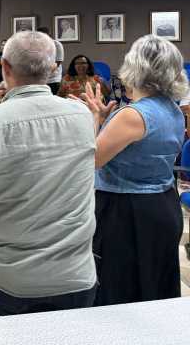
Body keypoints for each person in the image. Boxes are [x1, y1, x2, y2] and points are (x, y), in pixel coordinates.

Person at [0, 31, 97, 317]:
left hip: (10, 277)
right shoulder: (83, 115)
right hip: (75, 273)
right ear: (53, 69)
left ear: (5, 67)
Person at [75, 35, 187, 306]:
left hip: (126, 210)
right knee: (155, 289)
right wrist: (105, 120)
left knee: (119, 293)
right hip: (162, 204)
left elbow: (91, 160)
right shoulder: (173, 110)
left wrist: (94, 118)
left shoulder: (131, 114)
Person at [37, 27, 64, 95]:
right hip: (39, 80)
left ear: (49, 35)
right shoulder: (36, 46)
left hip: (54, 79)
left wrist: (44, 74)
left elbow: (57, 62)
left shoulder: (57, 44)